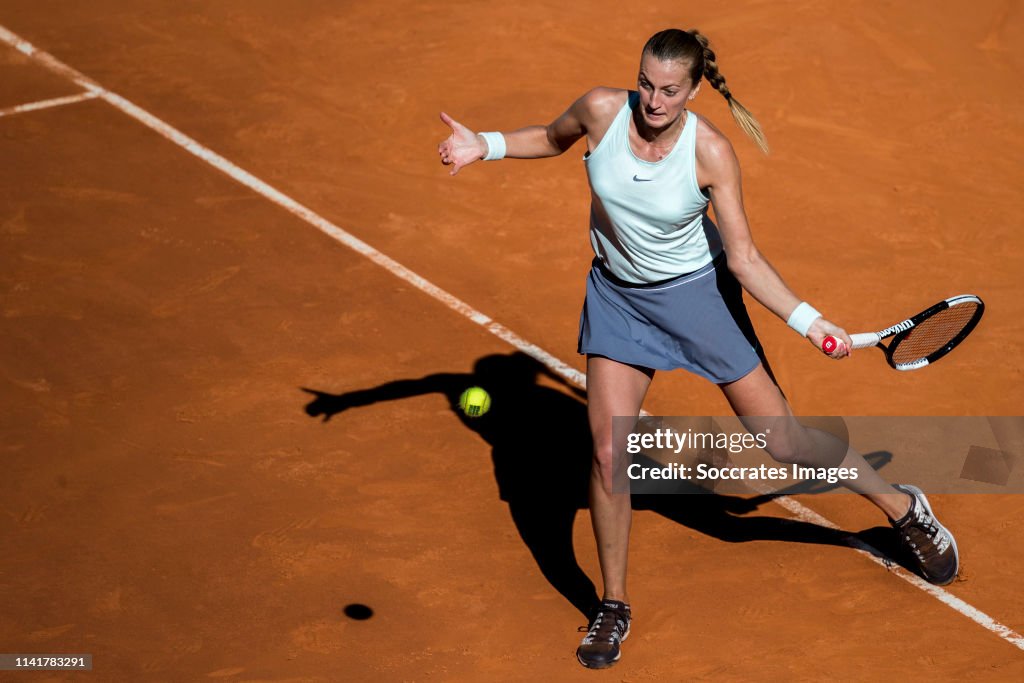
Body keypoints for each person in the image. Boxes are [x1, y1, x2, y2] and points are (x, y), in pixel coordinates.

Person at [437, 28, 959, 669]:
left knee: (785, 446)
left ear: (692, 90)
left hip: (699, 301)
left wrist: (809, 322)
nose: (653, 101)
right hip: (617, 300)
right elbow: (550, 138)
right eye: (646, 84)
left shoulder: (710, 152)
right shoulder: (603, 108)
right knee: (608, 453)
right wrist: (482, 145)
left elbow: (743, 258)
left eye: (669, 91)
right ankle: (614, 603)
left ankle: (902, 507)